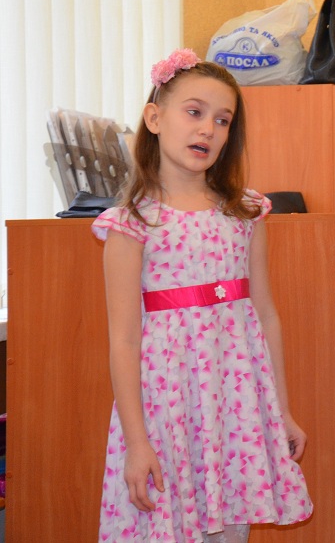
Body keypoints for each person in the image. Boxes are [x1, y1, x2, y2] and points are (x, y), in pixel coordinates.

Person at [94, 48, 312, 542]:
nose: (208, 130)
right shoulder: (132, 223)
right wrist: (137, 443)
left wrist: (281, 411)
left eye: (222, 120)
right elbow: (124, 341)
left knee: (231, 526)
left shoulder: (245, 212)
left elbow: (266, 315)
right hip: (167, 410)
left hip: (235, 406)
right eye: (194, 112)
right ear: (155, 118)